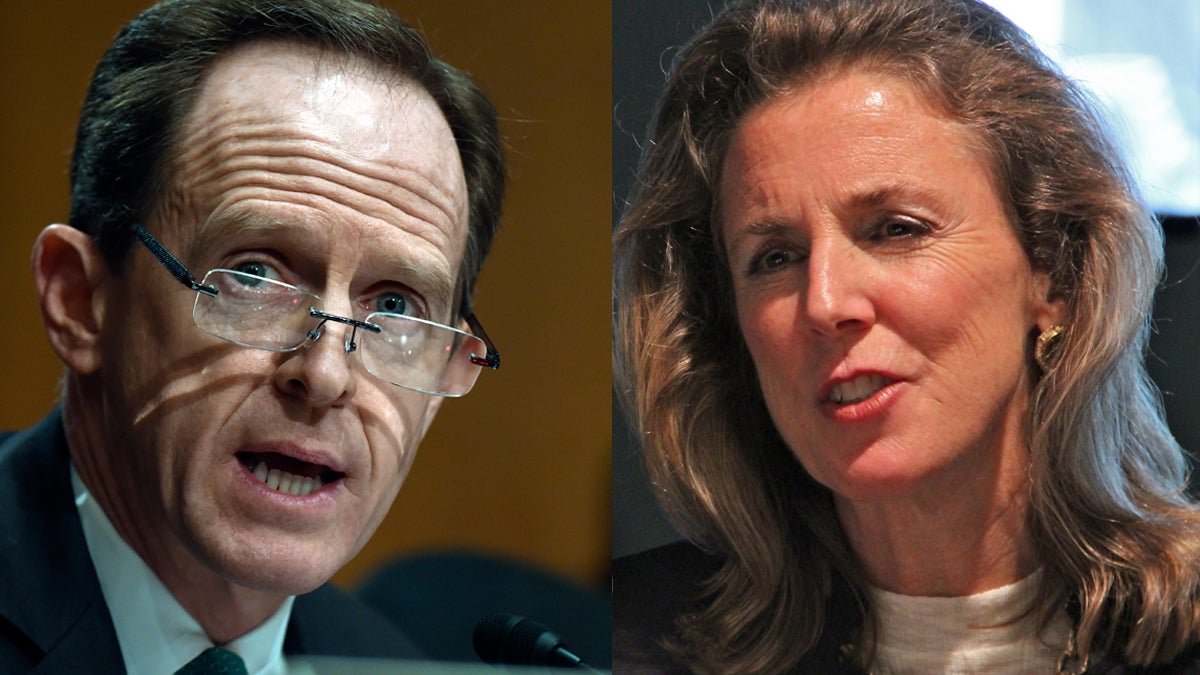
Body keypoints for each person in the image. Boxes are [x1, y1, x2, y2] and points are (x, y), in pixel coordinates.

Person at [612, 0, 1200, 672]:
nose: (825, 302)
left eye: (895, 229)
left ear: (1056, 273)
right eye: (775, 257)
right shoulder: (629, 640)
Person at [0, 0, 504, 671]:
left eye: (394, 306)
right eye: (255, 274)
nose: (325, 374)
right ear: (81, 301)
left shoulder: (384, 660)